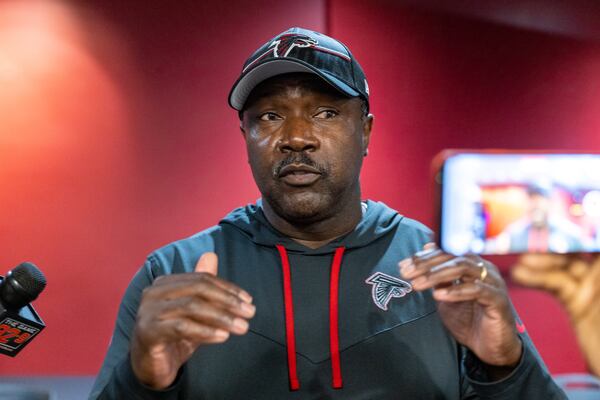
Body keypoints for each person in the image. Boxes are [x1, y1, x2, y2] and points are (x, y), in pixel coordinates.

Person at [89, 27, 566, 399]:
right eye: (269, 116)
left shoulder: (442, 270)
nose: (297, 137)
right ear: (246, 138)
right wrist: (144, 383)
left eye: (325, 113)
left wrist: (506, 366)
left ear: (367, 132)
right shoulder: (172, 276)